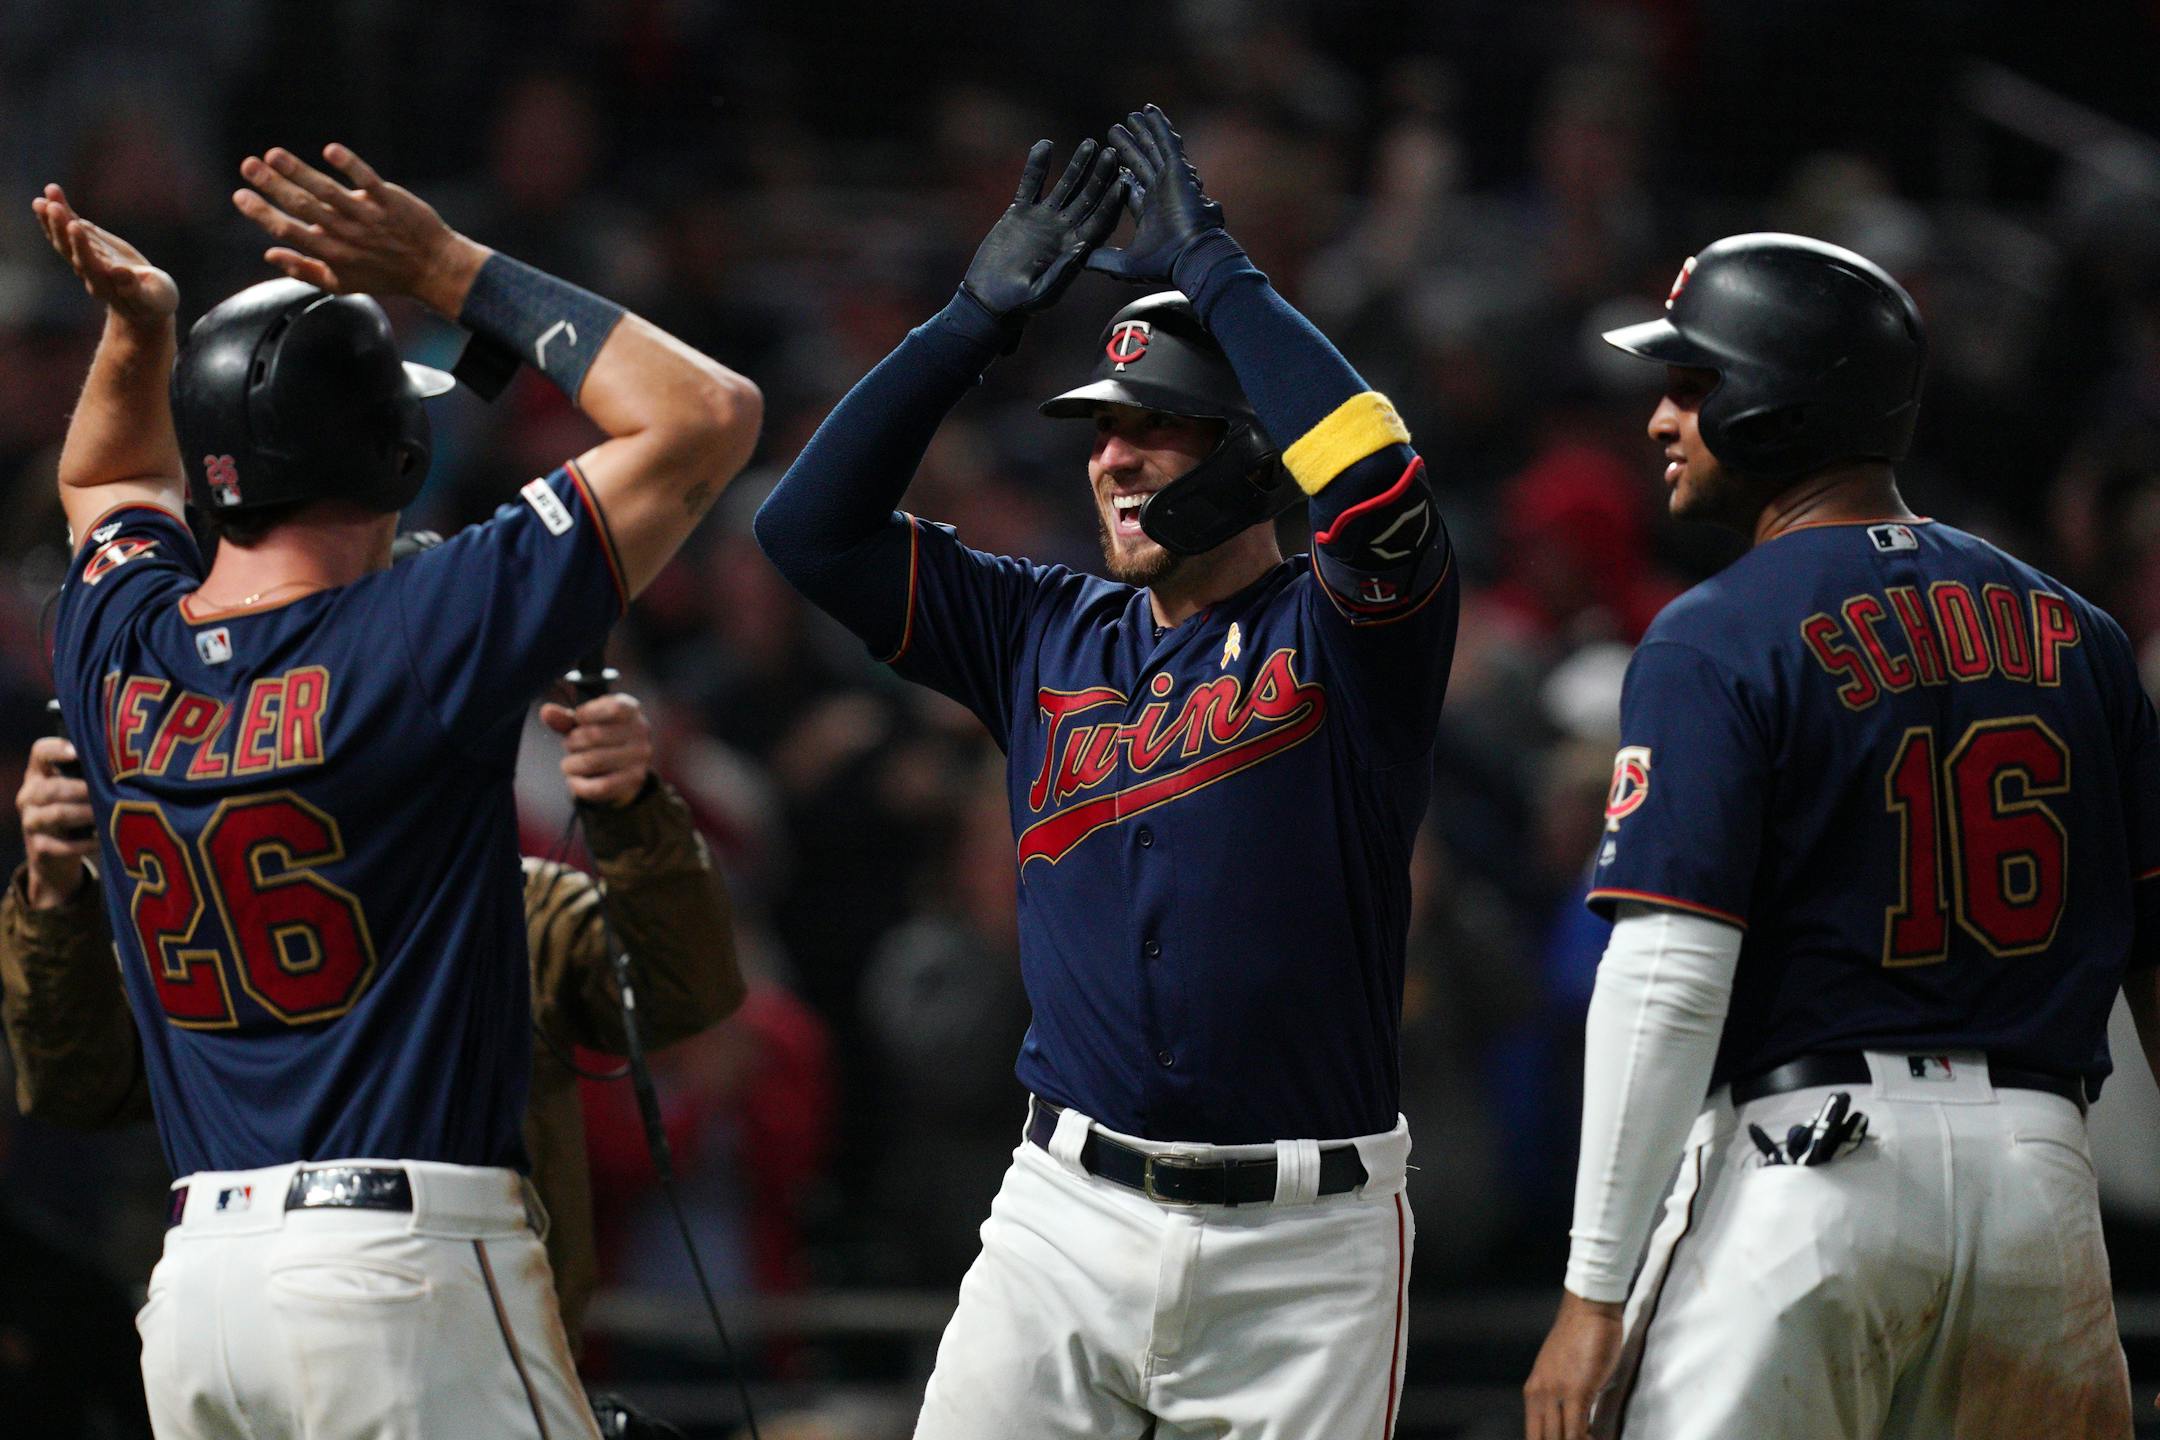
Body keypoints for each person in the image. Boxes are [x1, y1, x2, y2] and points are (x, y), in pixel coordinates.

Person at [32, 138, 759, 1440]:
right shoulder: (418, 632)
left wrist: (140, 330)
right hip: (396, 1273)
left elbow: (98, 480)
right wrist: (443, 264)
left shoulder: (118, 649)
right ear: (395, 452)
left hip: (199, 1281)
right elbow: (705, 413)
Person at [755, 105, 1457, 1439]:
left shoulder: (1354, 632)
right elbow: (807, 529)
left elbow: (1378, 494)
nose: (1113, 458)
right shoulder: (1039, 629)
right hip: (1063, 1213)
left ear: (1252, 455)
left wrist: (1222, 276)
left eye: (1159, 427)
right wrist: (966, 323)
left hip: (1304, 1247)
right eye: (1101, 427)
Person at [1521, 233, 2158, 1440]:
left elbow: (1667, 981)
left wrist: (1592, 1293)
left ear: (1773, 400)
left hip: (1810, 1183)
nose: (1661, 422)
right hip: (2043, 1189)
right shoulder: (2081, 635)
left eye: (1691, 387)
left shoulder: (1714, 634)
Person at [2, 682, 744, 1360]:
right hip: (257, 1351)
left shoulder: (520, 908)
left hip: (482, 1353)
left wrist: (629, 805)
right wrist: (52, 889)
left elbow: (683, 991)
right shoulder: (224, 917)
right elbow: (78, 1086)